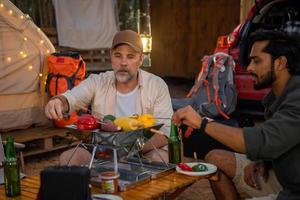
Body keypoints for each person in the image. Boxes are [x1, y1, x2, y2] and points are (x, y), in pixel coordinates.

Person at [172, 30, 300, 200]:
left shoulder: (297, 98)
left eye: (256, 61)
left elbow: (262, 140)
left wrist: (202, 123)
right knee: (215, 158)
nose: (249, 68)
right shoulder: (276, 97)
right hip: (282, 175)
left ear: (280, 63)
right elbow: (283, 140)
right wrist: (266, 161)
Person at [45, 29, 173, 165]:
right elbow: (72, 98)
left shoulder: (157, 85)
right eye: (118, 55)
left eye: (130, 56)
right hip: (101, 150)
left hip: (143, 150)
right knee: (68, 159)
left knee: (160, 159)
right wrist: (58, 101)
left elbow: (164, 134)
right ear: (111, 56)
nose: (123, 63)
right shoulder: (98, 81)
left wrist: (127, 151)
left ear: (141, 59)